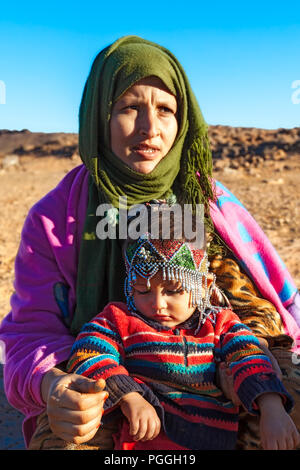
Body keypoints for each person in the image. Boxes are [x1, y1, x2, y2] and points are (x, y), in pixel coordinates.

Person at [0, 35, 299, 450]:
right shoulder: (56, 219)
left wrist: (266, 390)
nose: (150, 129)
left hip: (227, 376)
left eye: (166, 110)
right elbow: (29, 335)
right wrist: (54, 385)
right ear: (98, 116)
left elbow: (278, 302)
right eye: (128, 108)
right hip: (109, 390)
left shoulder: (212, 203)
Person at [66, 221, 298, 450]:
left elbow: (250, 356)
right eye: (142, 290)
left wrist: (272, 408)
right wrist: (130, 397)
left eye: (173, 291)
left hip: (211, 439)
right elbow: (90, 353)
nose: (158, 304)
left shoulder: (221, 323)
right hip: (141, 442)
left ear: (204, 285)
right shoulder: (119, 319)